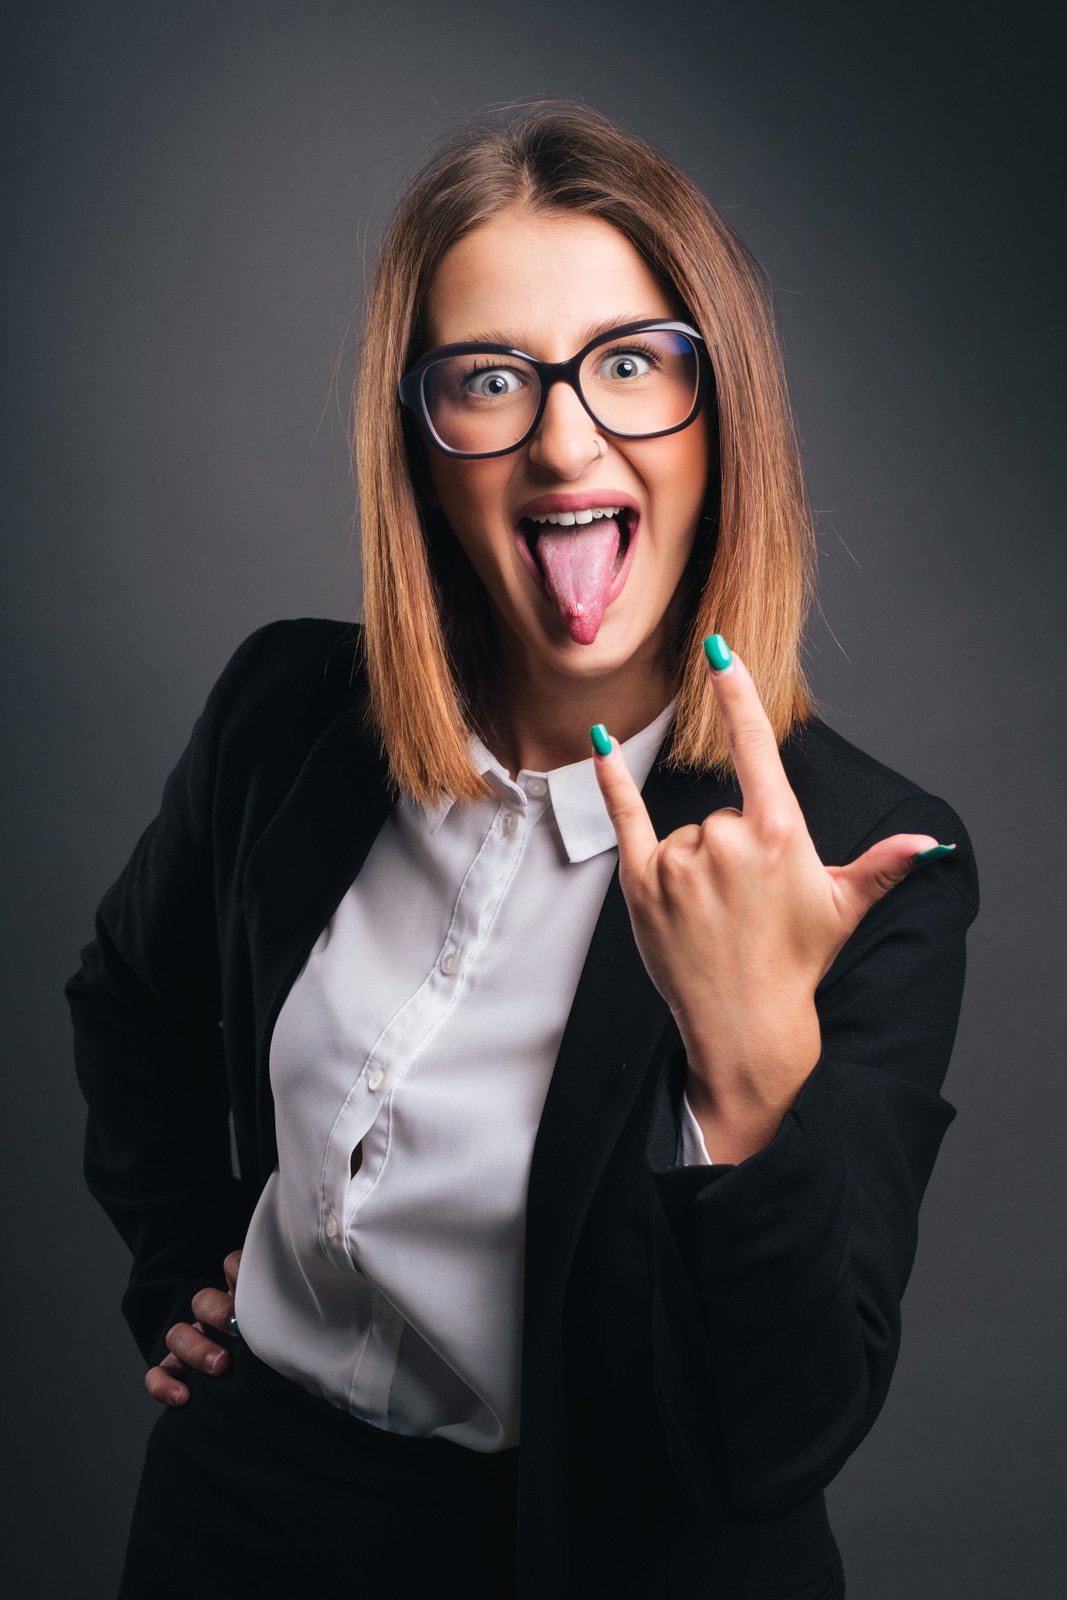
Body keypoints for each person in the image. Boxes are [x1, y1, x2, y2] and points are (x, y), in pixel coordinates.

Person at [67, 99, 978, 1599]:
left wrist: (749, 1067)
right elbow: (130, 998)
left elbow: (778, 1440)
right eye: (491, 379)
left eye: (631, 365)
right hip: (232, 1525)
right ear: (422, 448)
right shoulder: (285, 715)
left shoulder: (862, 856)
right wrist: (178, 1268)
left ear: (721, 410)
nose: (567, 438)